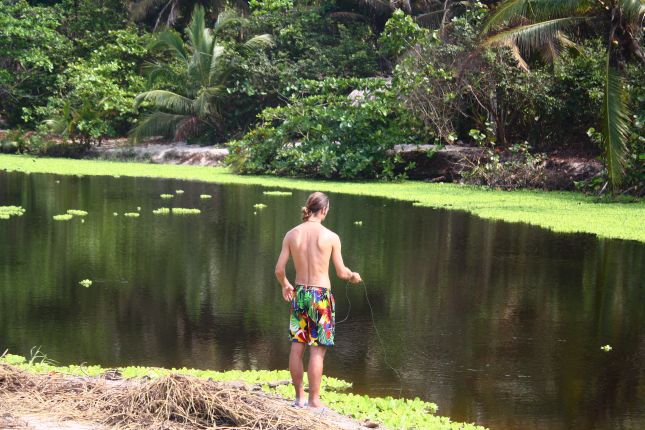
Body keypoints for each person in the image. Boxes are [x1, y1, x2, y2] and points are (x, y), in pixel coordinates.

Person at [275, 191, 362, 409]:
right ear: (324, 210)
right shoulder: (331, 237)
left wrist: (286, 284)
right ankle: (314, 401)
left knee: (297, 348)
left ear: (309, 208)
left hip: (300, 293)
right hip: (320, 297)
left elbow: (279, 270)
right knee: (317, 351)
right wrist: (353, 277)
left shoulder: (291, 234)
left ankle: (298, 399)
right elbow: (342, 273)